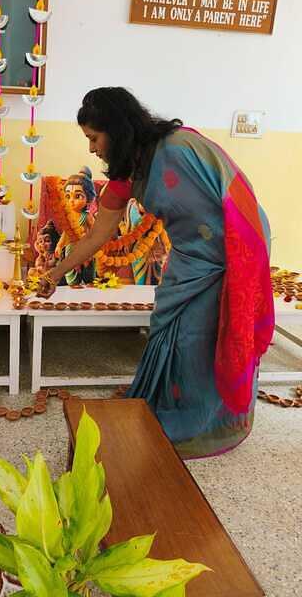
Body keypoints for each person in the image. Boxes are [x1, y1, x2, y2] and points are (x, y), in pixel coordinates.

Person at [37, 87, 274, 459]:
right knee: (167, 324)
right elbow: (98, 235)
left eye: (94, 138)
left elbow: (235, 190)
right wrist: (55, 273)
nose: (91, 149)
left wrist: (241, 255)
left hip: (233, 250)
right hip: (190, 258)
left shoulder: (181, 147)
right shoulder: (125, 176)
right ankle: (165, 406)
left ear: (117, 129)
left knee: (200, 336)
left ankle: (209, 423)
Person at [54, 167, 97, 285]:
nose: (71, 201)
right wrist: (59, 245)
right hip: (71, 248)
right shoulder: (68, 217)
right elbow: (65, 234)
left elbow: (95, 232)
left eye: (77, 196)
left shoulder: (87, 216)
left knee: (89, 274)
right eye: (68, 196)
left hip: (85, 248)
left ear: (88, 199)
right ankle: (73, 285)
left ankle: (89, 283)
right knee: (71, 274)